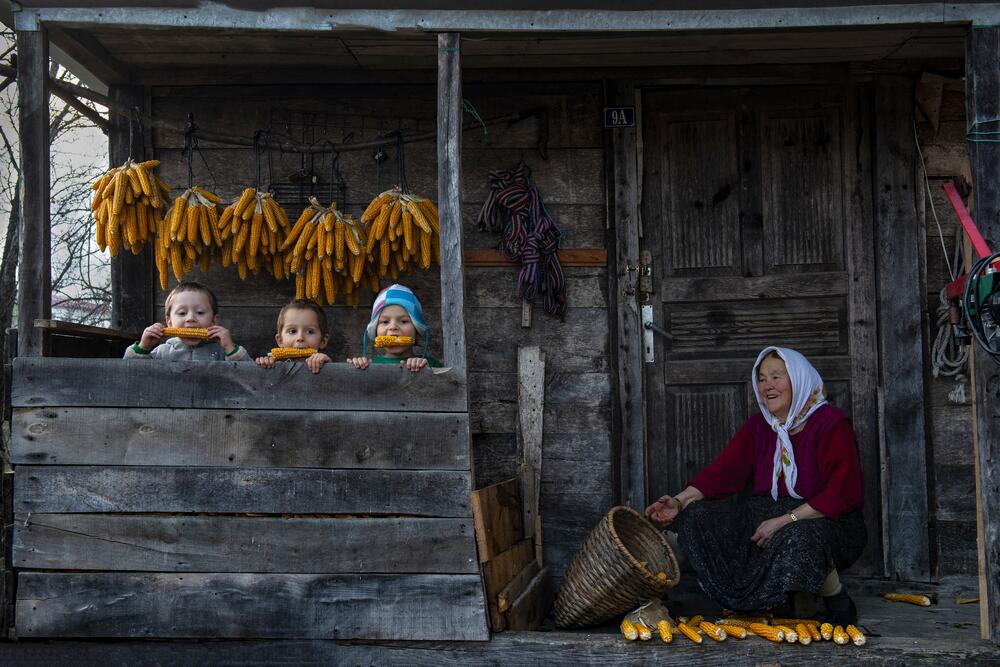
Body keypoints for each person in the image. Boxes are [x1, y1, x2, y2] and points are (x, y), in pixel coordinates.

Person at [644, 346, 866, 625]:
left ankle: (836, 597)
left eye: (777, 377)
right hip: (766, 514)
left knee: (799, 535)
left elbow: (842, 493)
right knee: (697, 515)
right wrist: (680, 500)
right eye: (761, 378)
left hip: (826, 519)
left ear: (798, 379)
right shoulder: (761, 426)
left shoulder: (831, 424)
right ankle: (773, 601)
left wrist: (785, 520)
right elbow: (724, 473)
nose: (767, 386)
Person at [124, 281, 250, 361]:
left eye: (200, 312)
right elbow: (129, 374)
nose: (190, 318)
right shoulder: (161, 353)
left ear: (214, 320)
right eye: (182, 313)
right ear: (169, 322)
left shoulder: (221, 354)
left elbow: (251, 378)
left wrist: (230, 348)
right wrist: (143, 347)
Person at [347, 284, 442, 373]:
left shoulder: (431, 364)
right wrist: (356, 367)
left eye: (404, 321)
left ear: (417, 330)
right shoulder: (368, 365)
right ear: (375, 330)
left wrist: (425, 371)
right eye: (385, 322)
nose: (393, 327)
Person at [256, 299, 333, 374]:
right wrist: (264, 365)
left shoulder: (323, 362)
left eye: (310, 331)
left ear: (323, 341)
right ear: (280, 340)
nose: (300, 338)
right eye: (292, 331)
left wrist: (328, 365)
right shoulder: (275, 364)